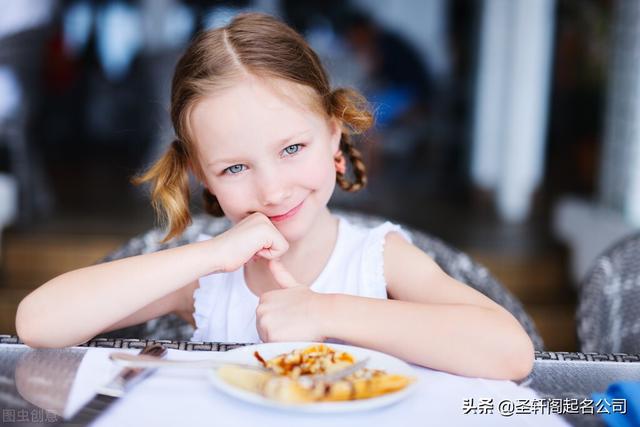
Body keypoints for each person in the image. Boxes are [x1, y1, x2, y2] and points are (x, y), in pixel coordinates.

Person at [15, 13, 533, 380]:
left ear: (334, 135)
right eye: (235, 167)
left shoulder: (379, 260)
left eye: (292, 148)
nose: (272, 188)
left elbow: (511, 352)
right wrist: (211, 253)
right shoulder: (209, 281)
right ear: (203, 177)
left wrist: (325, 311)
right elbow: (38, 324)